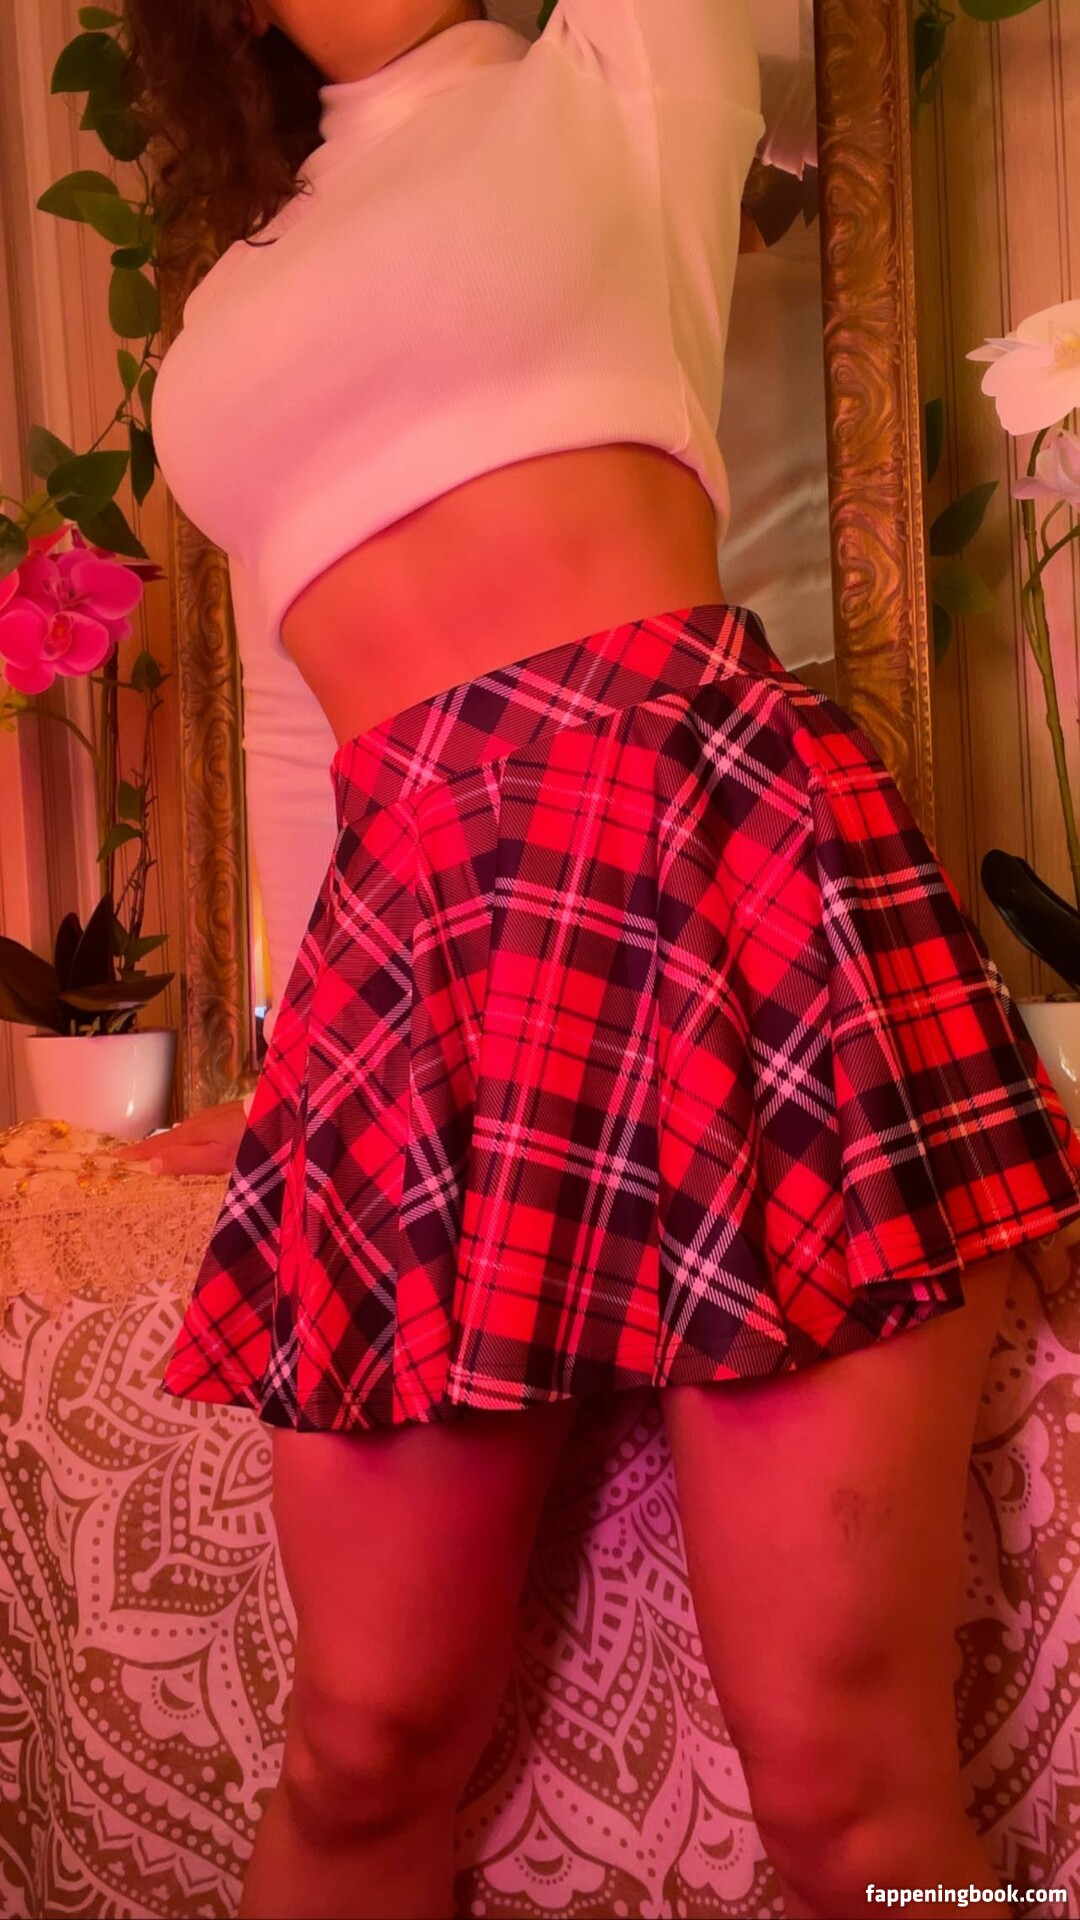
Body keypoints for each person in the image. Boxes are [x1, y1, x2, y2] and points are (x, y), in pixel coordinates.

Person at [114, 2, 1080, 1915]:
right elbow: (297, 727)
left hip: (726, 889)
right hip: (408, 970)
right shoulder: (221, 310)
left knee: (845, 1780)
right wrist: (287, 1073)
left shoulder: (626, 67)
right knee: (360, 1748)